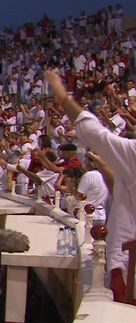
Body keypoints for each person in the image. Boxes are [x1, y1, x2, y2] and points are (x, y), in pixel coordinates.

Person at [46, 70, 135, 303]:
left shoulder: (133, 155)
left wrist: (63, 96)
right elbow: (119, 183)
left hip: (129, 270)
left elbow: (94, 132)